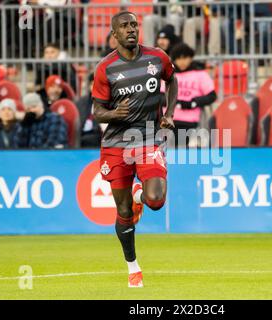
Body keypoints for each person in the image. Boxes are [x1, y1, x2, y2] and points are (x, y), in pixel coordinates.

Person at [92, 11, 178, 288]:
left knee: (156, 201)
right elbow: (97, 112)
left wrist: (170, 112)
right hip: (116, 145)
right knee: (124, 210)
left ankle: (142, 192)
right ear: (114, 34)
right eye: (124, 26)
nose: (131, 29)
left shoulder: (157, 57)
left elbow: (172, 80)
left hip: (149, 139)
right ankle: (133, 267)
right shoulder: (106, 68)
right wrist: (115, 113)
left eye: (134, 25)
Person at [170, 43, 216, 147]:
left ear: (191, 58)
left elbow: (212, 96)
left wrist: (194, 103)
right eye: (178, 58)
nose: (181, 62)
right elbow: (160, 96)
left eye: (185, 58)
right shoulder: (169, 74)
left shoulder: (200, 74)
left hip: (190, 121)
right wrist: (176, 103)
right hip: (169, 121)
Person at [76, 73, 102, 147]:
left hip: (98, 136)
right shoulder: (80, 102)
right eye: (92, 84)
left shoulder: (109, 102)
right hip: (81, 136)